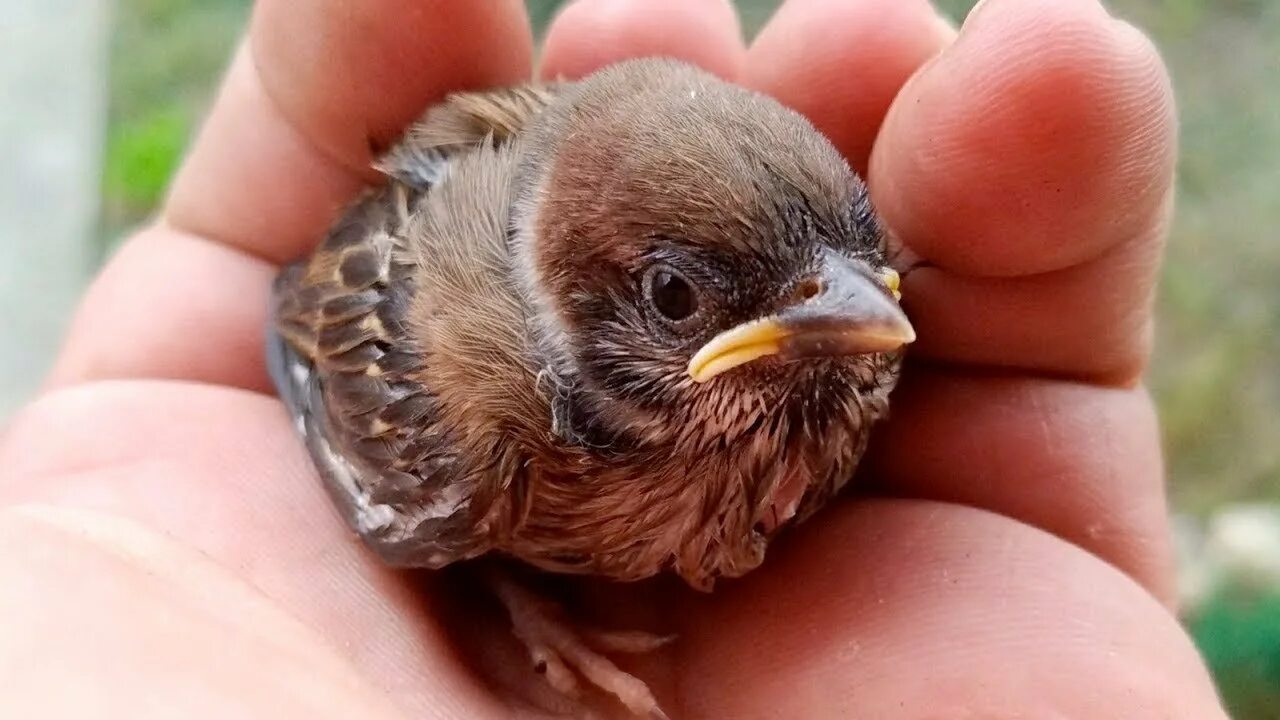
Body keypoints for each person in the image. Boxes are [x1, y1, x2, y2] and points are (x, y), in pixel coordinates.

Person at [0, 0, 1227, 717]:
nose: (860, 312)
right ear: (582, 309)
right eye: (681, 300)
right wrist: (518, 598)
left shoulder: (842, 352)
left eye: (861, 257)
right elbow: (303, 328)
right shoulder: (473, 416)